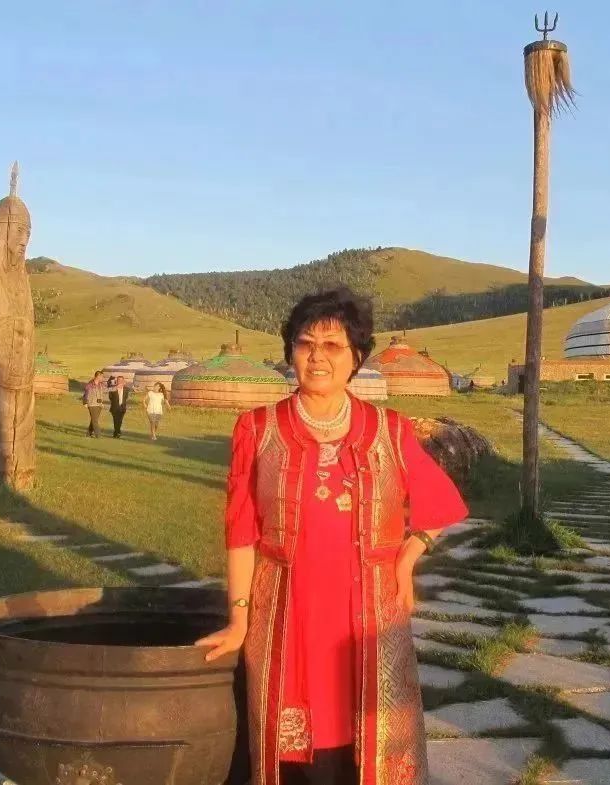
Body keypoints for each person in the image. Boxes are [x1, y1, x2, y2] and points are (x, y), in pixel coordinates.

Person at [197, 288, 468, 785]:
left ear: (356, 357)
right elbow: (241, 531)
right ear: (290, 352)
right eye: (305, 344)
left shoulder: (388, 429)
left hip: (370, 614)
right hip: (285, 611)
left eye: (333, 346)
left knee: (370, 743)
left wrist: (408, 556)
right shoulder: (258, 429)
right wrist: (238, 619)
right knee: (288, 752)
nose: (317, 357)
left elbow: (442, 503)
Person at [81, 370, 105, 437]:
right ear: (98, 376)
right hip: (92, 404)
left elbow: (107, 389)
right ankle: (98, 435)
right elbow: (85, 394)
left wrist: (116, 387)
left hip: (99, 405)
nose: (103, 378)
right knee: (95, 421)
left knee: (93, 420)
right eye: (102, 377)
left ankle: (88, 434)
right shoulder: (90, 385)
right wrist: (85, 402)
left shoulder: (101, 385)